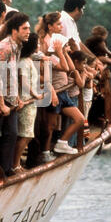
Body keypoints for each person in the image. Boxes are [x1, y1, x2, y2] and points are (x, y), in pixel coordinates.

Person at [0, 12, 30, 184]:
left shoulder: (17, 46)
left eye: (28, 28)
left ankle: (5, 169)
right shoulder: (5, 48)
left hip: (9, 97)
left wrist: (16, 97)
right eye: (24, 28)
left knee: (11, 133)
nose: (28, 31)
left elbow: (11, 76)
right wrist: (1, 104)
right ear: (14, 30)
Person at [36, 12, 84, 156]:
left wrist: (63, 51)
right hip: (55, 89)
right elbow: (62, 67)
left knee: (79, 119)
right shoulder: (45, 43)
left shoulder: (58, 41)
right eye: (58, 24)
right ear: (50, 26)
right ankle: (45, 153)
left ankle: (62, 143)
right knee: (49, 126)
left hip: (63, 91)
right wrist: (59, 52)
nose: (61, 26)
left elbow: (70, 68)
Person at [13, 33, 43, 174]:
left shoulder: (28, 60)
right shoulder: (24, 62)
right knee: (26, 135)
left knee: (27, 134)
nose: (39, 45)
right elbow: (23, 82)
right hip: (26, 102)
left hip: (30, 102)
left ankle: (16, 163)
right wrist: (35, 94)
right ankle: (15, 164)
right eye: (37, 43)